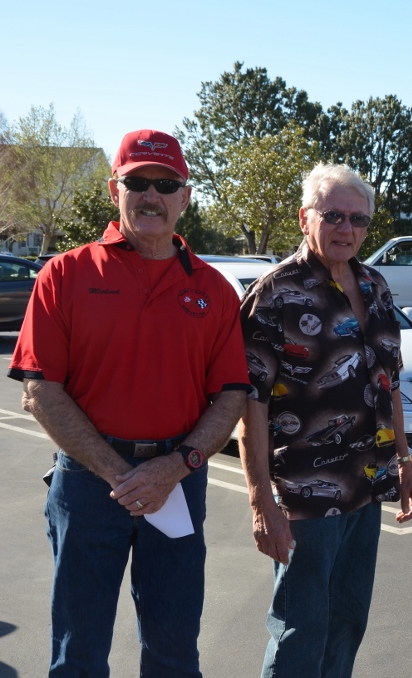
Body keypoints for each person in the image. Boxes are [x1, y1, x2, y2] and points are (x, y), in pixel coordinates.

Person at [8, 129, 250, 676]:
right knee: (78, 653)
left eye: (166, 184)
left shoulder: (213, 288)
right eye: (137, 182)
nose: (151, 196)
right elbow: (40, 388)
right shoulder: (64, 274)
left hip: (179, 481)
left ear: (185, 197)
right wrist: (120, 473)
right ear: (113, 189)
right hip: (90, 484)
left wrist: (174, 467)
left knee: (173, 650)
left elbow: (232, 393)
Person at [238, 162, 412, 678]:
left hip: (367, 486)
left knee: (347, 621)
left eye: (359, 220)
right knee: (300, 628)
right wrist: (261, 503)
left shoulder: (376, 286)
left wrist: (404, 465)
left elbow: (391, 388)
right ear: (305, 218)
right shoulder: (274, 294)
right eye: (334, 215)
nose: (347, 229)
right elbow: (248, 404)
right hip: (303, 497)